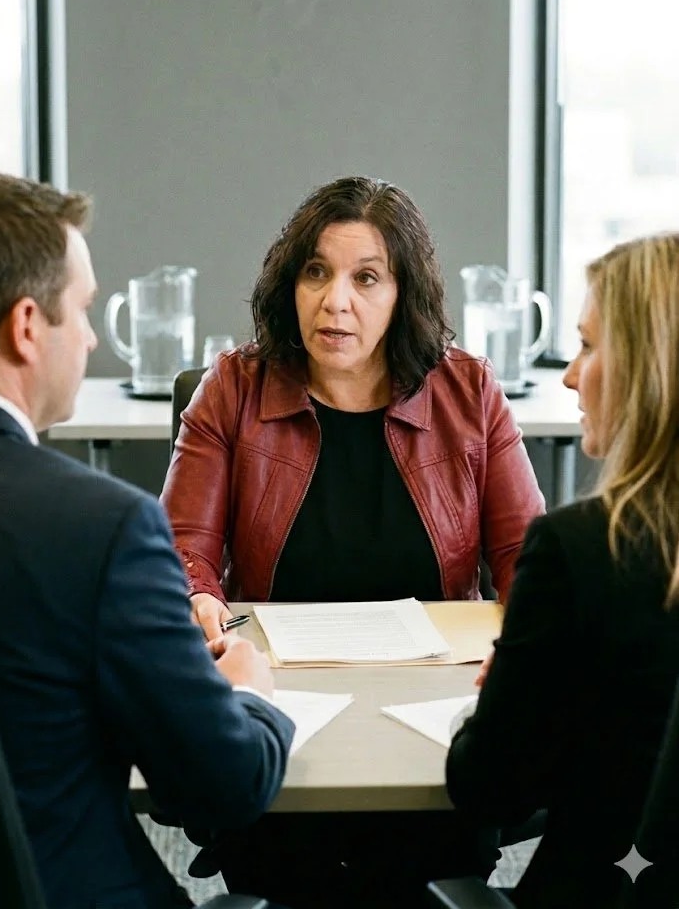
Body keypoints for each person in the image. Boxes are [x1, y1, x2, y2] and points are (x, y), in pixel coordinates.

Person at [160, 175, 545, 907]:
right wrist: (198, 601)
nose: (334, 301)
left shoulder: (469, 391)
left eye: (366, 278)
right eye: (315, 272)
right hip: (284, 705)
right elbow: (183, 553)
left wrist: (522, 647)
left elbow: (528, 558)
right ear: (289, 284)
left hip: (429, 704)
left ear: (403, 296)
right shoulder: (232, 389)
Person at [0, 173, 295, 909]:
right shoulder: (99, 528)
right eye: (85, 311)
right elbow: (223, 787)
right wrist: (253, 697)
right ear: (28, 325)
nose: (93, 338)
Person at [446, 233, 679, 909]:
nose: (571, 375)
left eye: (587, 346)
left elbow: (489, 789)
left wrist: (501, 703)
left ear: (646, 367)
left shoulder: (581, 550)